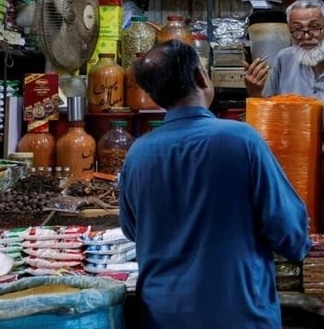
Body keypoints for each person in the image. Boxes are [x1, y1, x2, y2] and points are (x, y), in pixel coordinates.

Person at [119, 40, 311, 328]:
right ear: (200, 76)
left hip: (161, 314)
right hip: (238, 313)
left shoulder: (137, 153)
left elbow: (133, 230)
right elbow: (289, 233)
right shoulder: (241, 139)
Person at [244, 0, 324, 99]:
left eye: (314, 27)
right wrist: (255, 92)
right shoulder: (283, 59)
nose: (306, 36)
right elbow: (269, 109)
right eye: (297, 29)